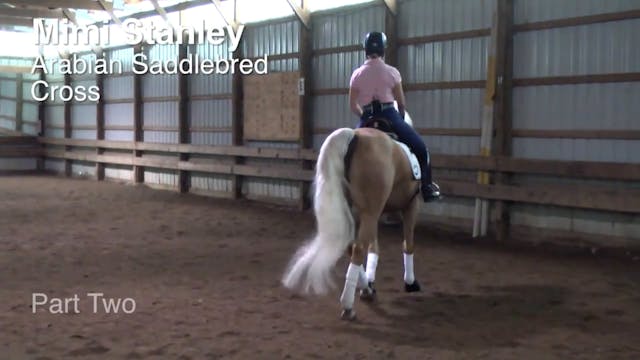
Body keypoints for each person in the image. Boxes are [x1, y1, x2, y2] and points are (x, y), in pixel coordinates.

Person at [349, 31, 441, 202]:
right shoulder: (392, 72)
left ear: (365, 50)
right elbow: (401, 102)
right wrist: (399, 117)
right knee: (421, 148)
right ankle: (427, 187)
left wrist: (365, 116)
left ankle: (343, 189)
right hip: (389, 114)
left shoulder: (357, 74)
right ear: (384, 49)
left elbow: (353, 105)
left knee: (348, 150)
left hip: (367, 116)